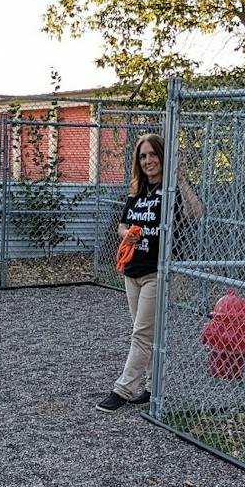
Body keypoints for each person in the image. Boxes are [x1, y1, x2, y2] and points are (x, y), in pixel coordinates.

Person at [97, 133, 204, 412]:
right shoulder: (138, 190)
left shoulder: (173, 190)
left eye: (153, 154)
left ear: (162, 157)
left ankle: (123, 389)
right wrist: (127, 235)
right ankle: (153, 387)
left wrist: (179, 178)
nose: (148, 161)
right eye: (143, 156)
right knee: (147, 333)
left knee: (141, 334)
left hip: (158, 272)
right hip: (133, 271)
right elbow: (122, 224)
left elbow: (196, 213)